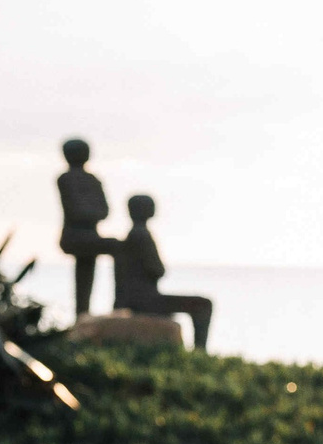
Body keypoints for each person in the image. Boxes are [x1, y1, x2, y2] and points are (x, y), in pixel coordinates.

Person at [109, 194, 214, 350]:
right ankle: (200, 352)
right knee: (203, 304)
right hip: (144, 300)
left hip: (137, 298)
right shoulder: (141, 235)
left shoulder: (135, 234)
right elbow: (157, 269)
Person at [55, 139, 113, 318]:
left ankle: (84, 314)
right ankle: (82, 314)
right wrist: (90, 213)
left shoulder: (93, 180)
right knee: (114, 249)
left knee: (87, 273)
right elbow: (76, 211)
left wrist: (89, 213)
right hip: (74, 236)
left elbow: (104, 210)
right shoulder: (66, 179)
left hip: (90, 234)